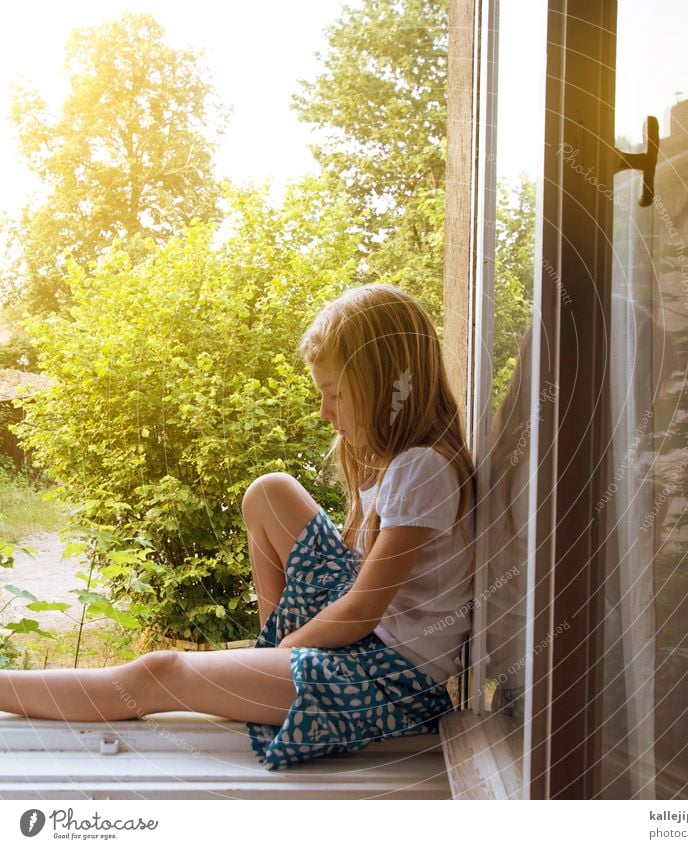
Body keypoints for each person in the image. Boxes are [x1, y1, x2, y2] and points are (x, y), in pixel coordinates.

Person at [0, 283, 476, 771]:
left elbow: (361, 613)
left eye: (334, 394)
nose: (324, 413)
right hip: (369, 641)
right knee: (269, 492)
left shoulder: (422, 467)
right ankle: (266, 659)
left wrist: (288, 650)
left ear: (382, 386)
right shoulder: (409, 461)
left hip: (392, 683)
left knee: (159, 673)